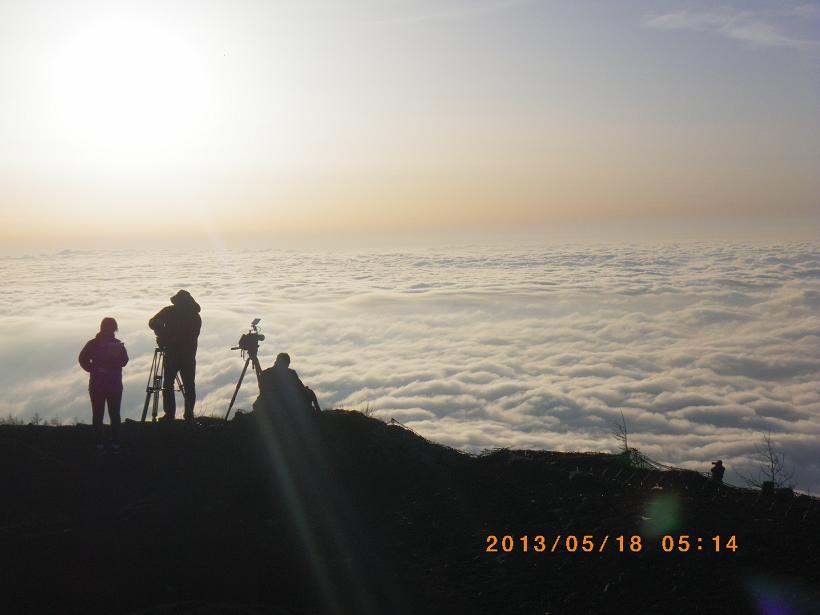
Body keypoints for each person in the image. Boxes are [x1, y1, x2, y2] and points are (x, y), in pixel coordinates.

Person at [148, 289, 201, 422]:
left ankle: (172, 415)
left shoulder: (171, 311)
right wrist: (160, 328)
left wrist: (164, 334)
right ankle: (187, 416)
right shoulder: (194, 315)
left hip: (174, 353)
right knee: (187, 385)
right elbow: (152, 322)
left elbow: (152, 322)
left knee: (170, 384)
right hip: (186, 355)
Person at [78, 317, 129, 453]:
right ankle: (101, 442)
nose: (111, 331)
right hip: (102, 385)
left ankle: (114, 442)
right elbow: (83, 358)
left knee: (113, 415)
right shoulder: (93, 344)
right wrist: (93, 369)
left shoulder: (115, 345)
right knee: (99, 414)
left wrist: (95, 368)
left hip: (109, 385)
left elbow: (124, 361)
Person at [253, 352, 321, 418]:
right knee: (309, 392)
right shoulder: (291, 373)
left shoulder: (265, 373)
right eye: (286, 363)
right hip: (284, 402)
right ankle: (316, 412)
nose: (287, 365)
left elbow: (262, 391)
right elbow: (301, 388)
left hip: (271, 402)